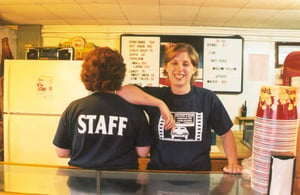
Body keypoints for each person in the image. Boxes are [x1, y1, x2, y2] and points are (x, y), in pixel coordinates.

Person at [118, 43, 242, 173]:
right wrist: (160, 104)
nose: (179, 69)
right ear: (166, 67)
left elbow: (226, 133)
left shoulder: (208, 98)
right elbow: (122, 91)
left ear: (194, 69)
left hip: (198, 177)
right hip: (159, 175)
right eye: (174, 63)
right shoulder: (156, 96)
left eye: (186, 64)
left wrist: (233, 163)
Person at [53, 47, 154, 170]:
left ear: (87, 74)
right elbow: (143, 152)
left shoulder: (74, 108)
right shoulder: (133, 110)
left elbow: (62, 152)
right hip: (122, 184)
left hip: (82, 183)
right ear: (119, 74)